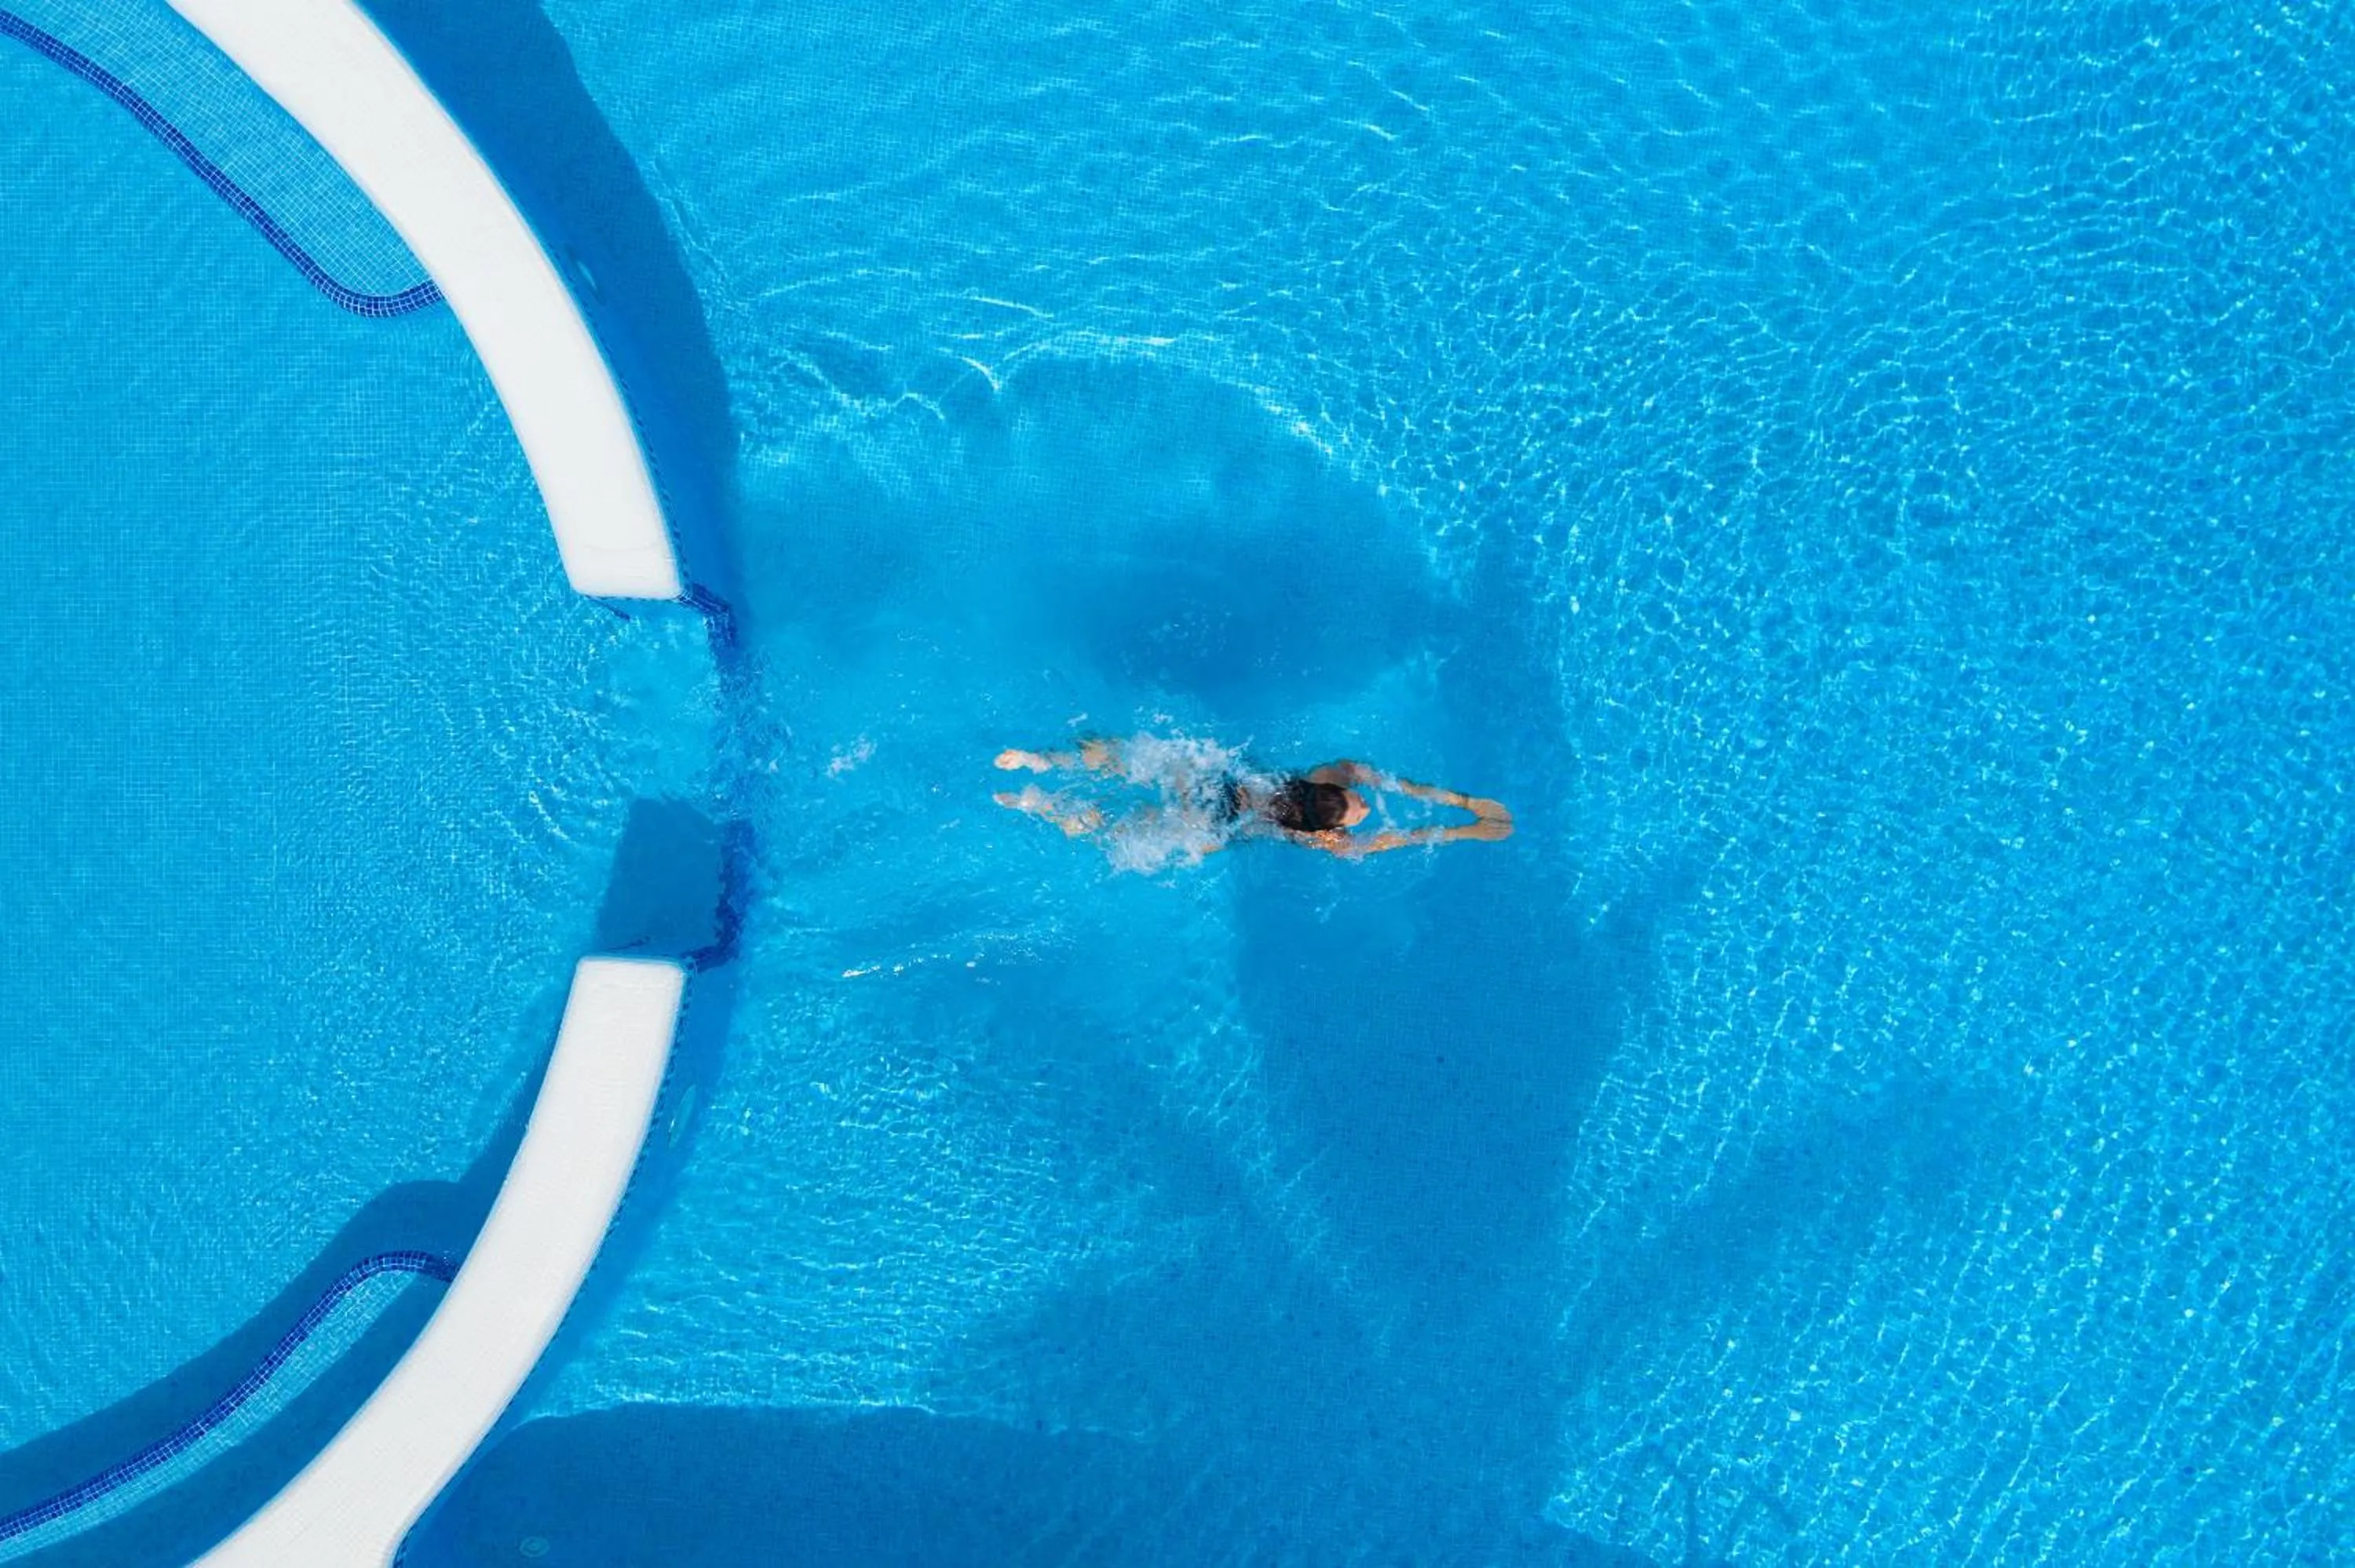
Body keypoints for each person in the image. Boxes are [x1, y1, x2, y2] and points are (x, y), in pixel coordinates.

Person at [992, 738, 1512, 858]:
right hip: (1212, 827)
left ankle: (1042, 761)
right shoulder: (1321, 839)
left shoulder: (1331, 773)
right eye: (1358, 807)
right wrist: (1465, 821)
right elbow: (1397, 835)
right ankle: (1037, 804)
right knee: (1116, 831)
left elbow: (1386, 783)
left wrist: (1465, 802)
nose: (1366, 806)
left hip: (1215, 786)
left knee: (1131, 756)